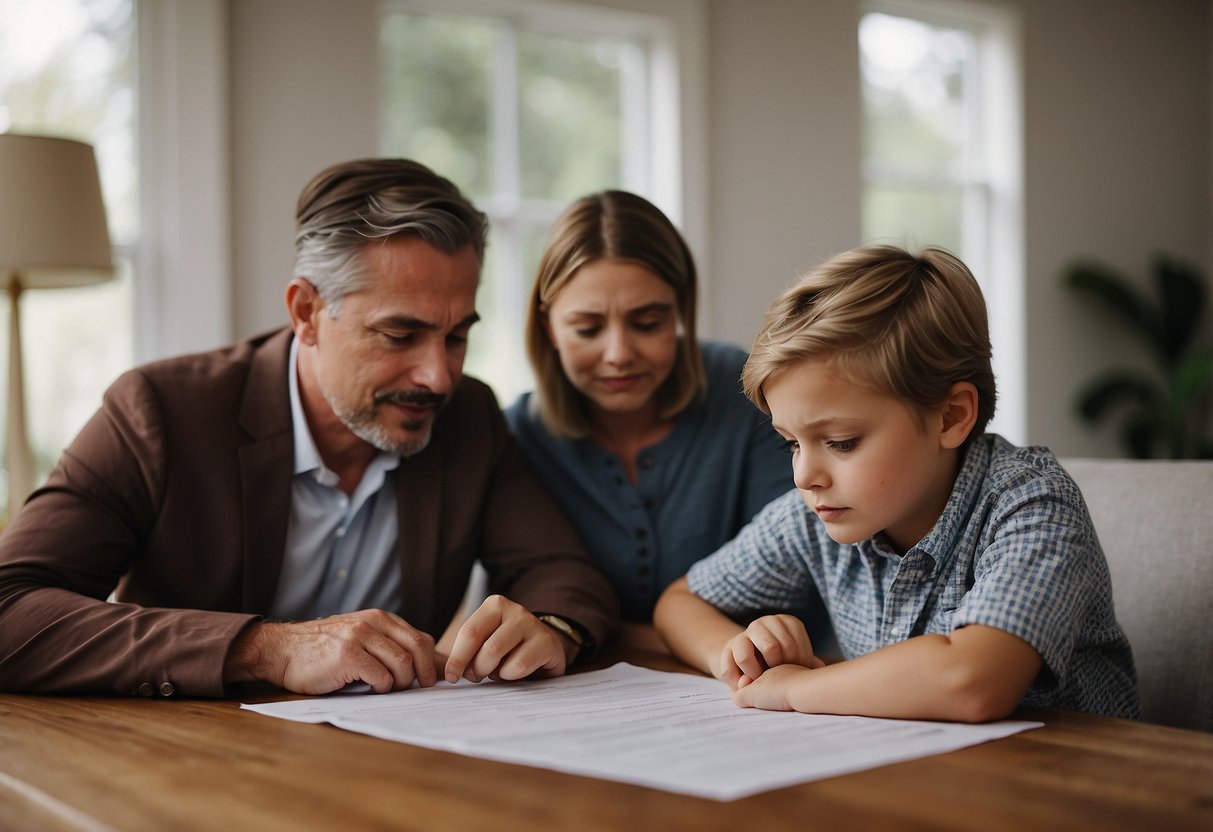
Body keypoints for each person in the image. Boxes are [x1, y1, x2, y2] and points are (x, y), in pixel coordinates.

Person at [0, 158, 618, 697]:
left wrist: (551, 625)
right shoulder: (159, 411)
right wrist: (267, 648)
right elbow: (10, 609)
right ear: (307, 312)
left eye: (458, 336)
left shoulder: (470, 417)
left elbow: (564, 571)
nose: (437, 376)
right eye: (400, 334)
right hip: (192, 771)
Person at [654, 245, 1139, 722]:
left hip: (1072, 782)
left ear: (951, 416)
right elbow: (680, 602)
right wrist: (739, 655)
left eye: (841, 442)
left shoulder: (1032, 503)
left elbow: (972, 680)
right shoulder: (814, 516)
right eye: (792, 444)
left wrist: (795, 689)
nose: (804, 475)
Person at [502, 190, 797, 622]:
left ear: (680, 310)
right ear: (548, 327)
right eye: (587, 329)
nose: (619, 353)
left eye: (647, 323)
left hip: (746, 672)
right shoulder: (519, 436)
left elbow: (792, 573)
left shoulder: (744, 389)